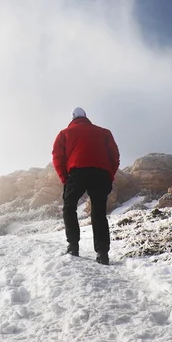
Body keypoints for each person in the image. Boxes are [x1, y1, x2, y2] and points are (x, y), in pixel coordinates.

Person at [52, 107, 120, 265]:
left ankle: (73, 246)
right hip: (101, 173)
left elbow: (57, 157)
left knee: (69, 207)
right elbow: (115, 156)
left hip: (78, 172)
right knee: (99, 212)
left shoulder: (64, 133)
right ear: (86, 117)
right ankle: (102, 253)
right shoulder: (104, 132)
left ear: (72, 118)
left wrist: (65, 179)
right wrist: (109, 175)